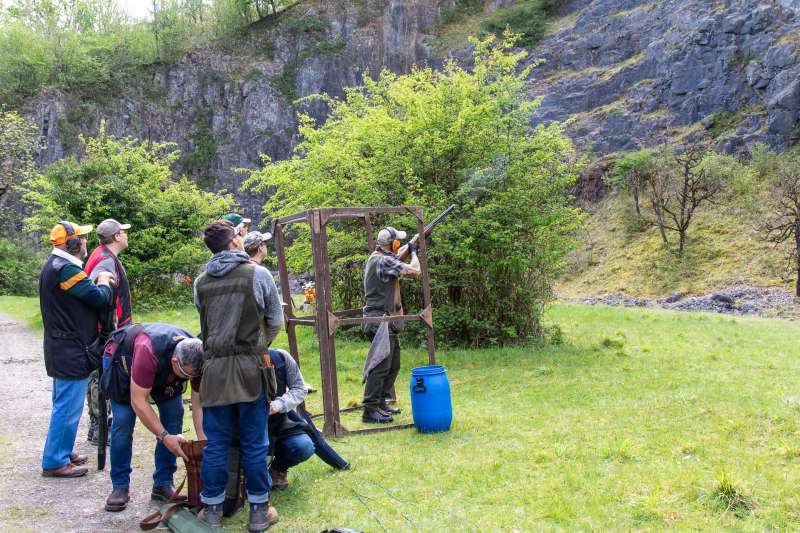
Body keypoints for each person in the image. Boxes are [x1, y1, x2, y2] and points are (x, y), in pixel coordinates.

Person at [193, 221, 284, 532]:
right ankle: (259, 512)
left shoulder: (200, 282)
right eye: (239, 234)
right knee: (255, 442)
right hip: (249, 371)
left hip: (214, 372)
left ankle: (213, 511)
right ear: (233, 243)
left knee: (216, 443)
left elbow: (205, 326)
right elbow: (275, 320)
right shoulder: (258, 274)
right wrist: (257, 347)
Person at [103, 324, 205, 512]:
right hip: (124, 363)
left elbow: (198, 404)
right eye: (186, 375)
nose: (189, 380)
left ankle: (163, 484)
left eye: (193, 377)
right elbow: (138, 401)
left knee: (174, 414)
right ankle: (120, 486)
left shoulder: (197, 356)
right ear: (175, 360)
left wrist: (203, 442)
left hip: (163, 372)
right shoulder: (147, 349)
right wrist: (165, 437)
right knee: (123, 422)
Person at [39, 221, 114, 478]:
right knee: (67, 407)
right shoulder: (66, 269)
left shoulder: (57, 266)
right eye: (81, 238)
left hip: (63, 347)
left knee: (65, 404)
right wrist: (103, 280)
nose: (84, 242)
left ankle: (62, 450)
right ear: (72, 244)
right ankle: (55, 461)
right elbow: (98, 298)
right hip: (70, 349)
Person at [361, 227, 420, 424]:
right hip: (380, 321)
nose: (398, 245)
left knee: (393, 365)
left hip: (386, 321)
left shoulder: (380, 257)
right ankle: (370, 409)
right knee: (380, 366)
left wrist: (411, 243)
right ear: (392, 244)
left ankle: (380, 402)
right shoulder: (383, 260)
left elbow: (395, 257)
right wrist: (413, 252)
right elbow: (415, 270)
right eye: (397, 242)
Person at [85, 218, 133, 446]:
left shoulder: (104, 255)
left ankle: (98, 428)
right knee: (102, 379)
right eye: (123, 231)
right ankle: (100, 429)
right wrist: (110, 330)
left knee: (99, 378)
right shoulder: (104, 260)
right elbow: (99, 293)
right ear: (116, 237)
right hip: (104, 333)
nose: (126, 234)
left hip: (104, 331)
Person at [266, 349, 314, 491]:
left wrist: (279, 405)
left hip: (278, 423)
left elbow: (300, 388)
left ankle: (277, 470)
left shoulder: (280, 357)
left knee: (304, 446)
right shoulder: (235, 362)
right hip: (245, 430)